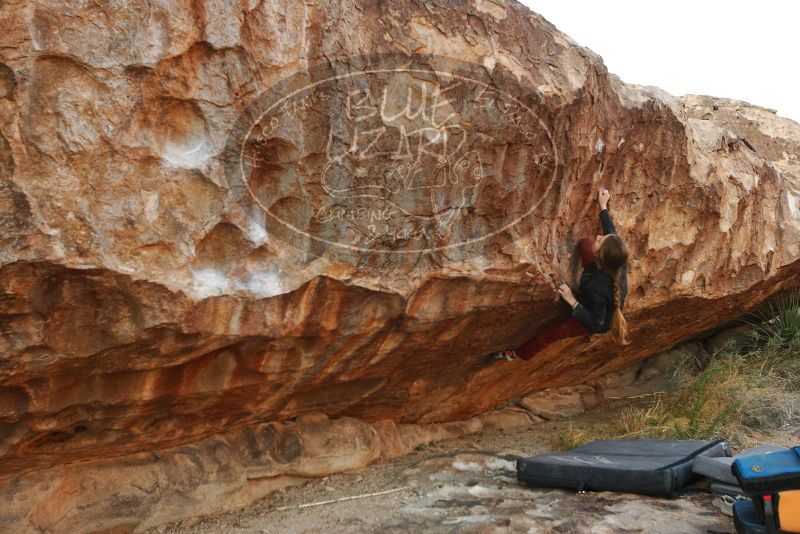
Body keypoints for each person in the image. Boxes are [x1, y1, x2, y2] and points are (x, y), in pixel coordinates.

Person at [491, 188, 630, 361]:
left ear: (600, 257)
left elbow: (598, 323)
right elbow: (611, 233)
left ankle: (515, 353)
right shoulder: (618, 257)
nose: (598, 235)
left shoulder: (598, 287)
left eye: (600, 240)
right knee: (586, 243)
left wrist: (572, 301)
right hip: (595, 278)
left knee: (548, 336)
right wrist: (603, 206)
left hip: (590, 317)